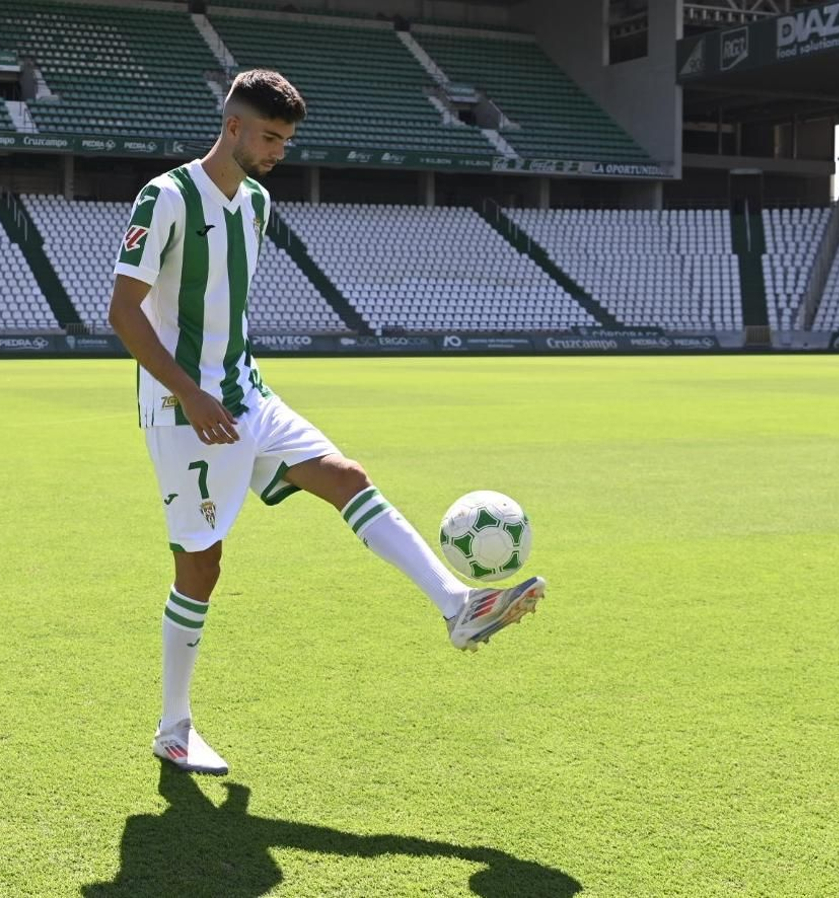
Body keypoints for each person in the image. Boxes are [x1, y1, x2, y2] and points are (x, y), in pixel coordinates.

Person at [106, 69, 547, 776]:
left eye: (285, 141)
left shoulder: (256, 203)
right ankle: (174, 727)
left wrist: (228, 386)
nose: (278, 152)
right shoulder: (167, 197)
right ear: (233, 127)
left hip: (248, 394)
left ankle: (459, 605)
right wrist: (190, 394)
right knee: (201, 566)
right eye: (269, 137)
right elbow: (124, 312)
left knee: (346, 477)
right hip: (187, 412)